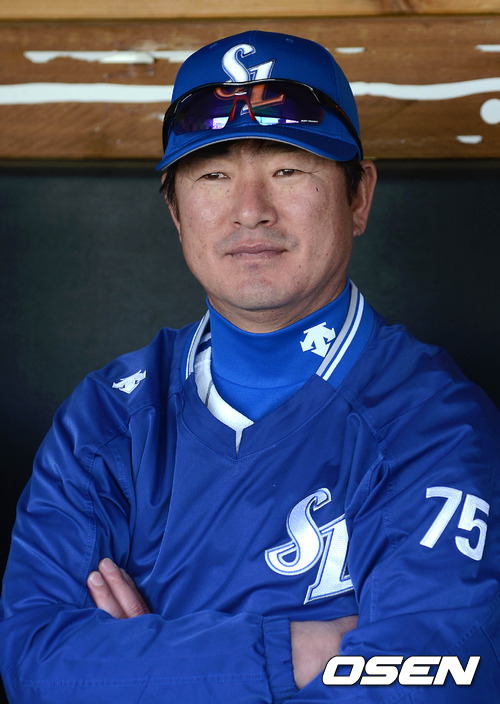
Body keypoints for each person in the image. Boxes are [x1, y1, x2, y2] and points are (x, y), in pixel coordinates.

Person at [0, 29, 499, 703]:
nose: (250, 210)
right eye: (213, 174)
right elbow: (34, 665)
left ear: (358, 196)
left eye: (288, 168)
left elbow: (432, 683)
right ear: (176, 212)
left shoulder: (435, 426)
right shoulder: (106, 418)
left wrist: (150, 667)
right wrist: (296, 650)